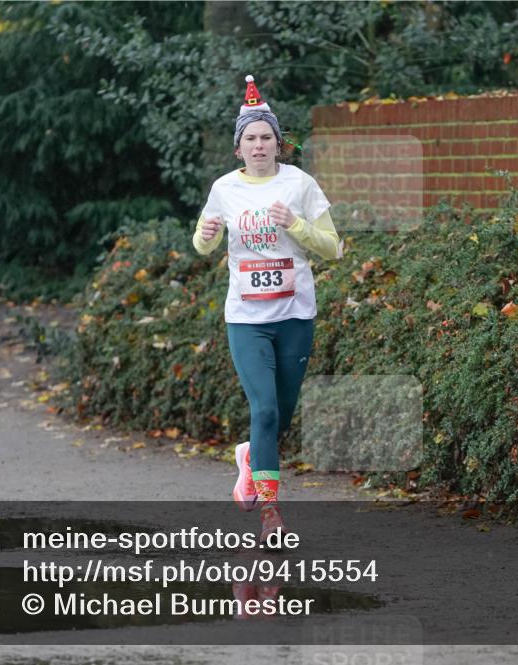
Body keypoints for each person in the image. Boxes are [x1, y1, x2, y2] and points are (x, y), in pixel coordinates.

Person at [192, 74, 340, 546]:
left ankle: (251, 457)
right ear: (239, 149)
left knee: (282, 415)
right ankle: (271, 512)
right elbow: (200, 246)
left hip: (295, 315)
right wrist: (208, 234)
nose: (259, 145)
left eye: (266, 137)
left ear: (280, 144)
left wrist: (294, 224)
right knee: (267, 409)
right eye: (250, 139)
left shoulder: (300, 184)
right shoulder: (223, 190)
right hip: (246, 318)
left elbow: (333, 249)